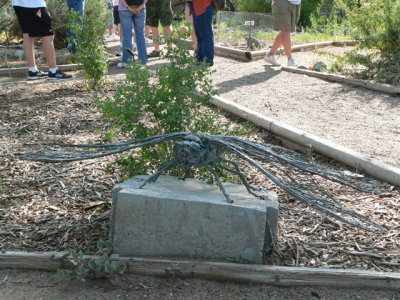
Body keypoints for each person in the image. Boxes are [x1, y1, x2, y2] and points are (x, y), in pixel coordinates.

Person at [12, 0, 72, 80]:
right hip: (34, 4)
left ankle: (32, 71)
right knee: (48, 35)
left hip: (18, 4)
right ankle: (53, 71)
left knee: (27, 35)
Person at [264, 0, 301, 67]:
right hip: (282, 2)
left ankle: (270, 54)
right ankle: (290, 60)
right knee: (286, 30)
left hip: (296, 3)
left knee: (287, 30)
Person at [118, 0, 148, 66]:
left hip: (124, 9)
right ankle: (142, 62)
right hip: (140, 9)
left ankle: (127, 62)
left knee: (127, 36)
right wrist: (141, 6)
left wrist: (128, 7)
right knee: (141, 35)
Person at [189, 0, 214, 66]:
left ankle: (207, 60)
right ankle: (200, 58)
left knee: (206, 34)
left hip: (204, 5)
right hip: (195, 5)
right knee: (199, 35)